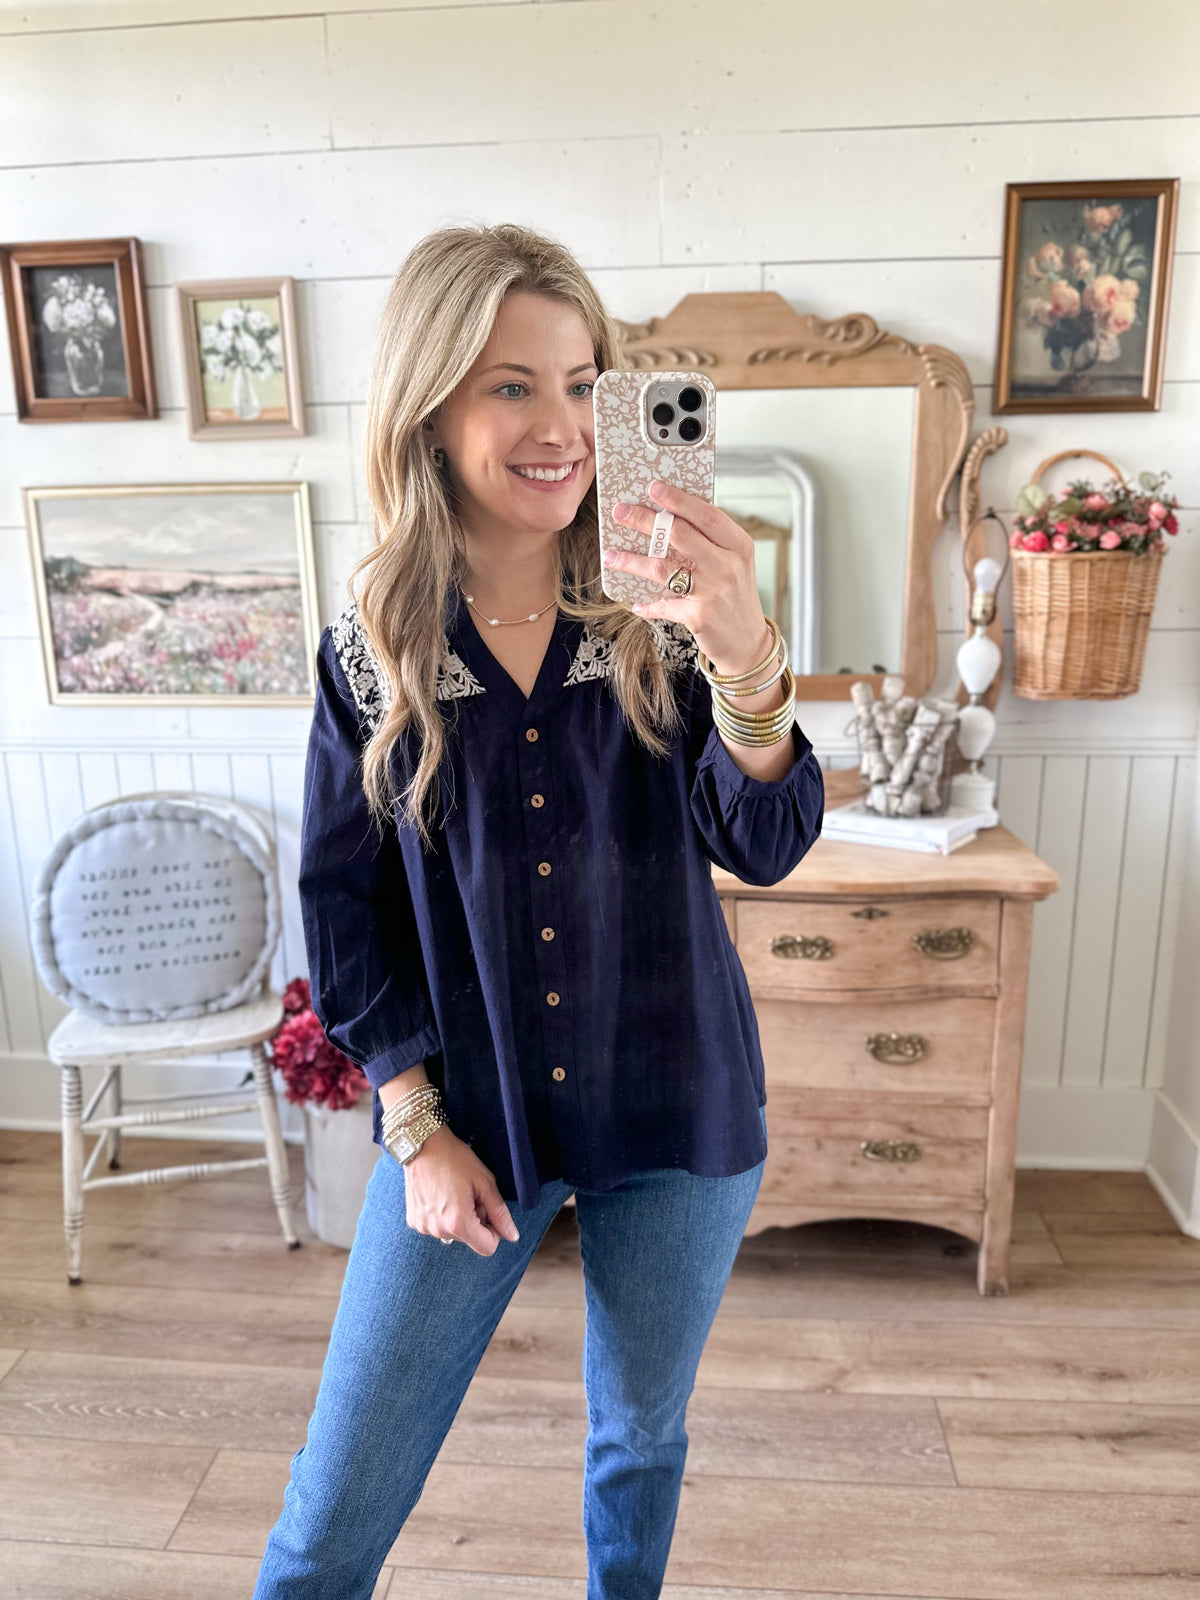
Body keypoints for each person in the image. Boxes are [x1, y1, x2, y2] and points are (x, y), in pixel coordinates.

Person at [253, 221, 824, 1600]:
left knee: (641, 1444)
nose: (560, 425)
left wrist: (744, 653)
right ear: (432, 400)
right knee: (331, 1517)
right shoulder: (370, 647)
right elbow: (343, 903)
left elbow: (764, 841)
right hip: (469, 1126)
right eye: (511, 385)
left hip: (679, 1112)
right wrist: (413, 1120)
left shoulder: (662, 621)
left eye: (583, 384)